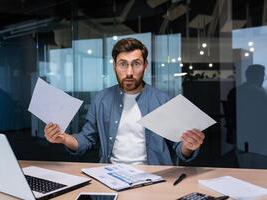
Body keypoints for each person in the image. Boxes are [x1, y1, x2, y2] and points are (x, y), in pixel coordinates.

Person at [44, 38, 205, 165]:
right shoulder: (101, 99)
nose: (129, 72)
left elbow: (179, 148)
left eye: (136, 64)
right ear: (114, 66)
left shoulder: (162, 99)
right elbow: (86, 140)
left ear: (145, 66)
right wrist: (63, 138)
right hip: (110, 175)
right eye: (123, 64)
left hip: (154, 178)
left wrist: (188, 146)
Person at [226, 64, 267, 153]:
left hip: (239, 132)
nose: (263, 79)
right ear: (256, 76)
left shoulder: (235, 91)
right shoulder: (259, 93)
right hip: (255, 133)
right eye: (263, 76)